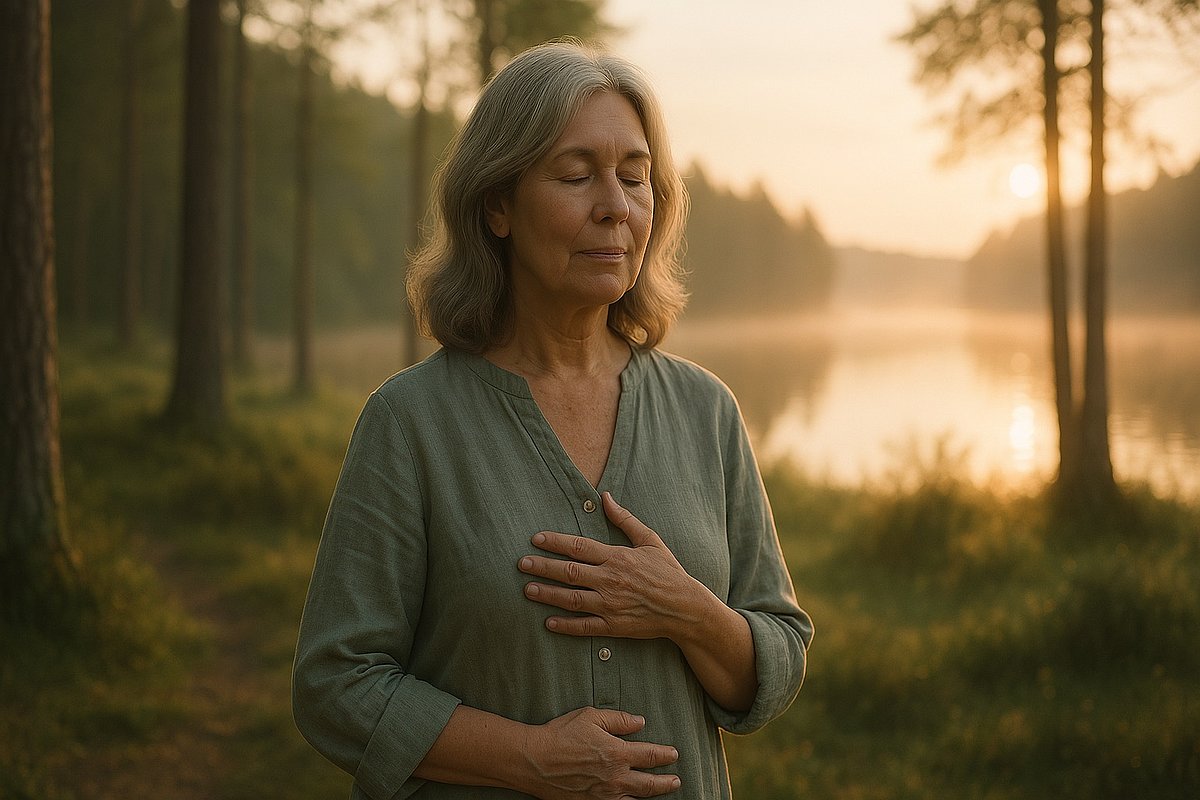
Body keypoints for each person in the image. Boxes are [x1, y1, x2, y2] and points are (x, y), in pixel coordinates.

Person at [293, 40, 813, 800]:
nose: (615, 205)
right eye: (575, 176)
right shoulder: (409, 424)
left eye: (635, 178)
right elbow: (335, 684)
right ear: (497, 205)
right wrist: (530, 757)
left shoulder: (708, 412)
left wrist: (688, 610)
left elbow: (780, 654)